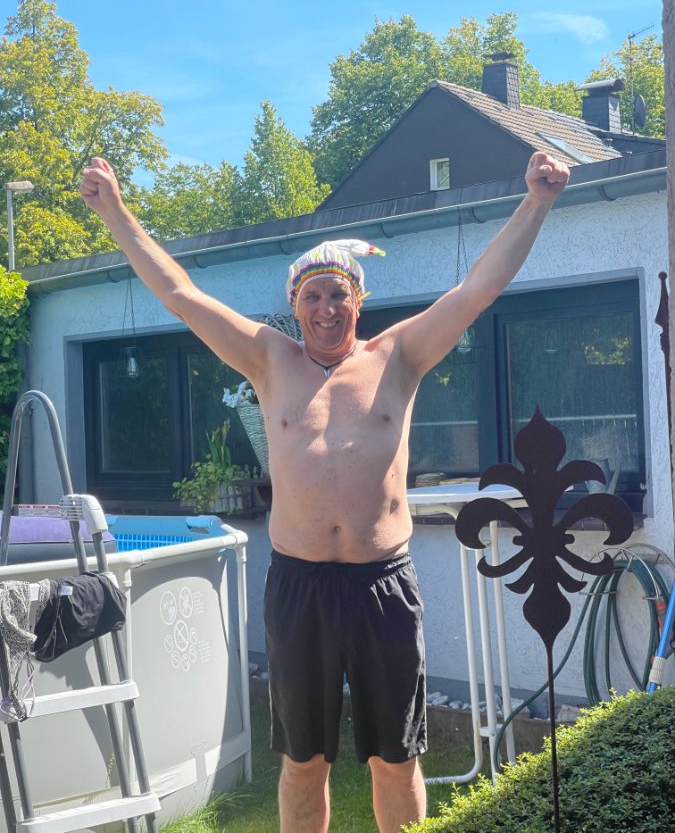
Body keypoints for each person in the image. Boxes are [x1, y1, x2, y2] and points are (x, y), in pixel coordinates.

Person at [81, 151, 569, 833]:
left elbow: (475, 292)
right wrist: (114, 211)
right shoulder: (268, 360)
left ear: (357, 301)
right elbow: (181, 295)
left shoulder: (398, 356)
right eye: (312, 296)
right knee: (302, 762)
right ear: (294, 305)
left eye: (338, 294)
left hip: (382, 586)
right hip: (298, 587)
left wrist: (536, 202)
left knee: (395, 759)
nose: (326, 308)